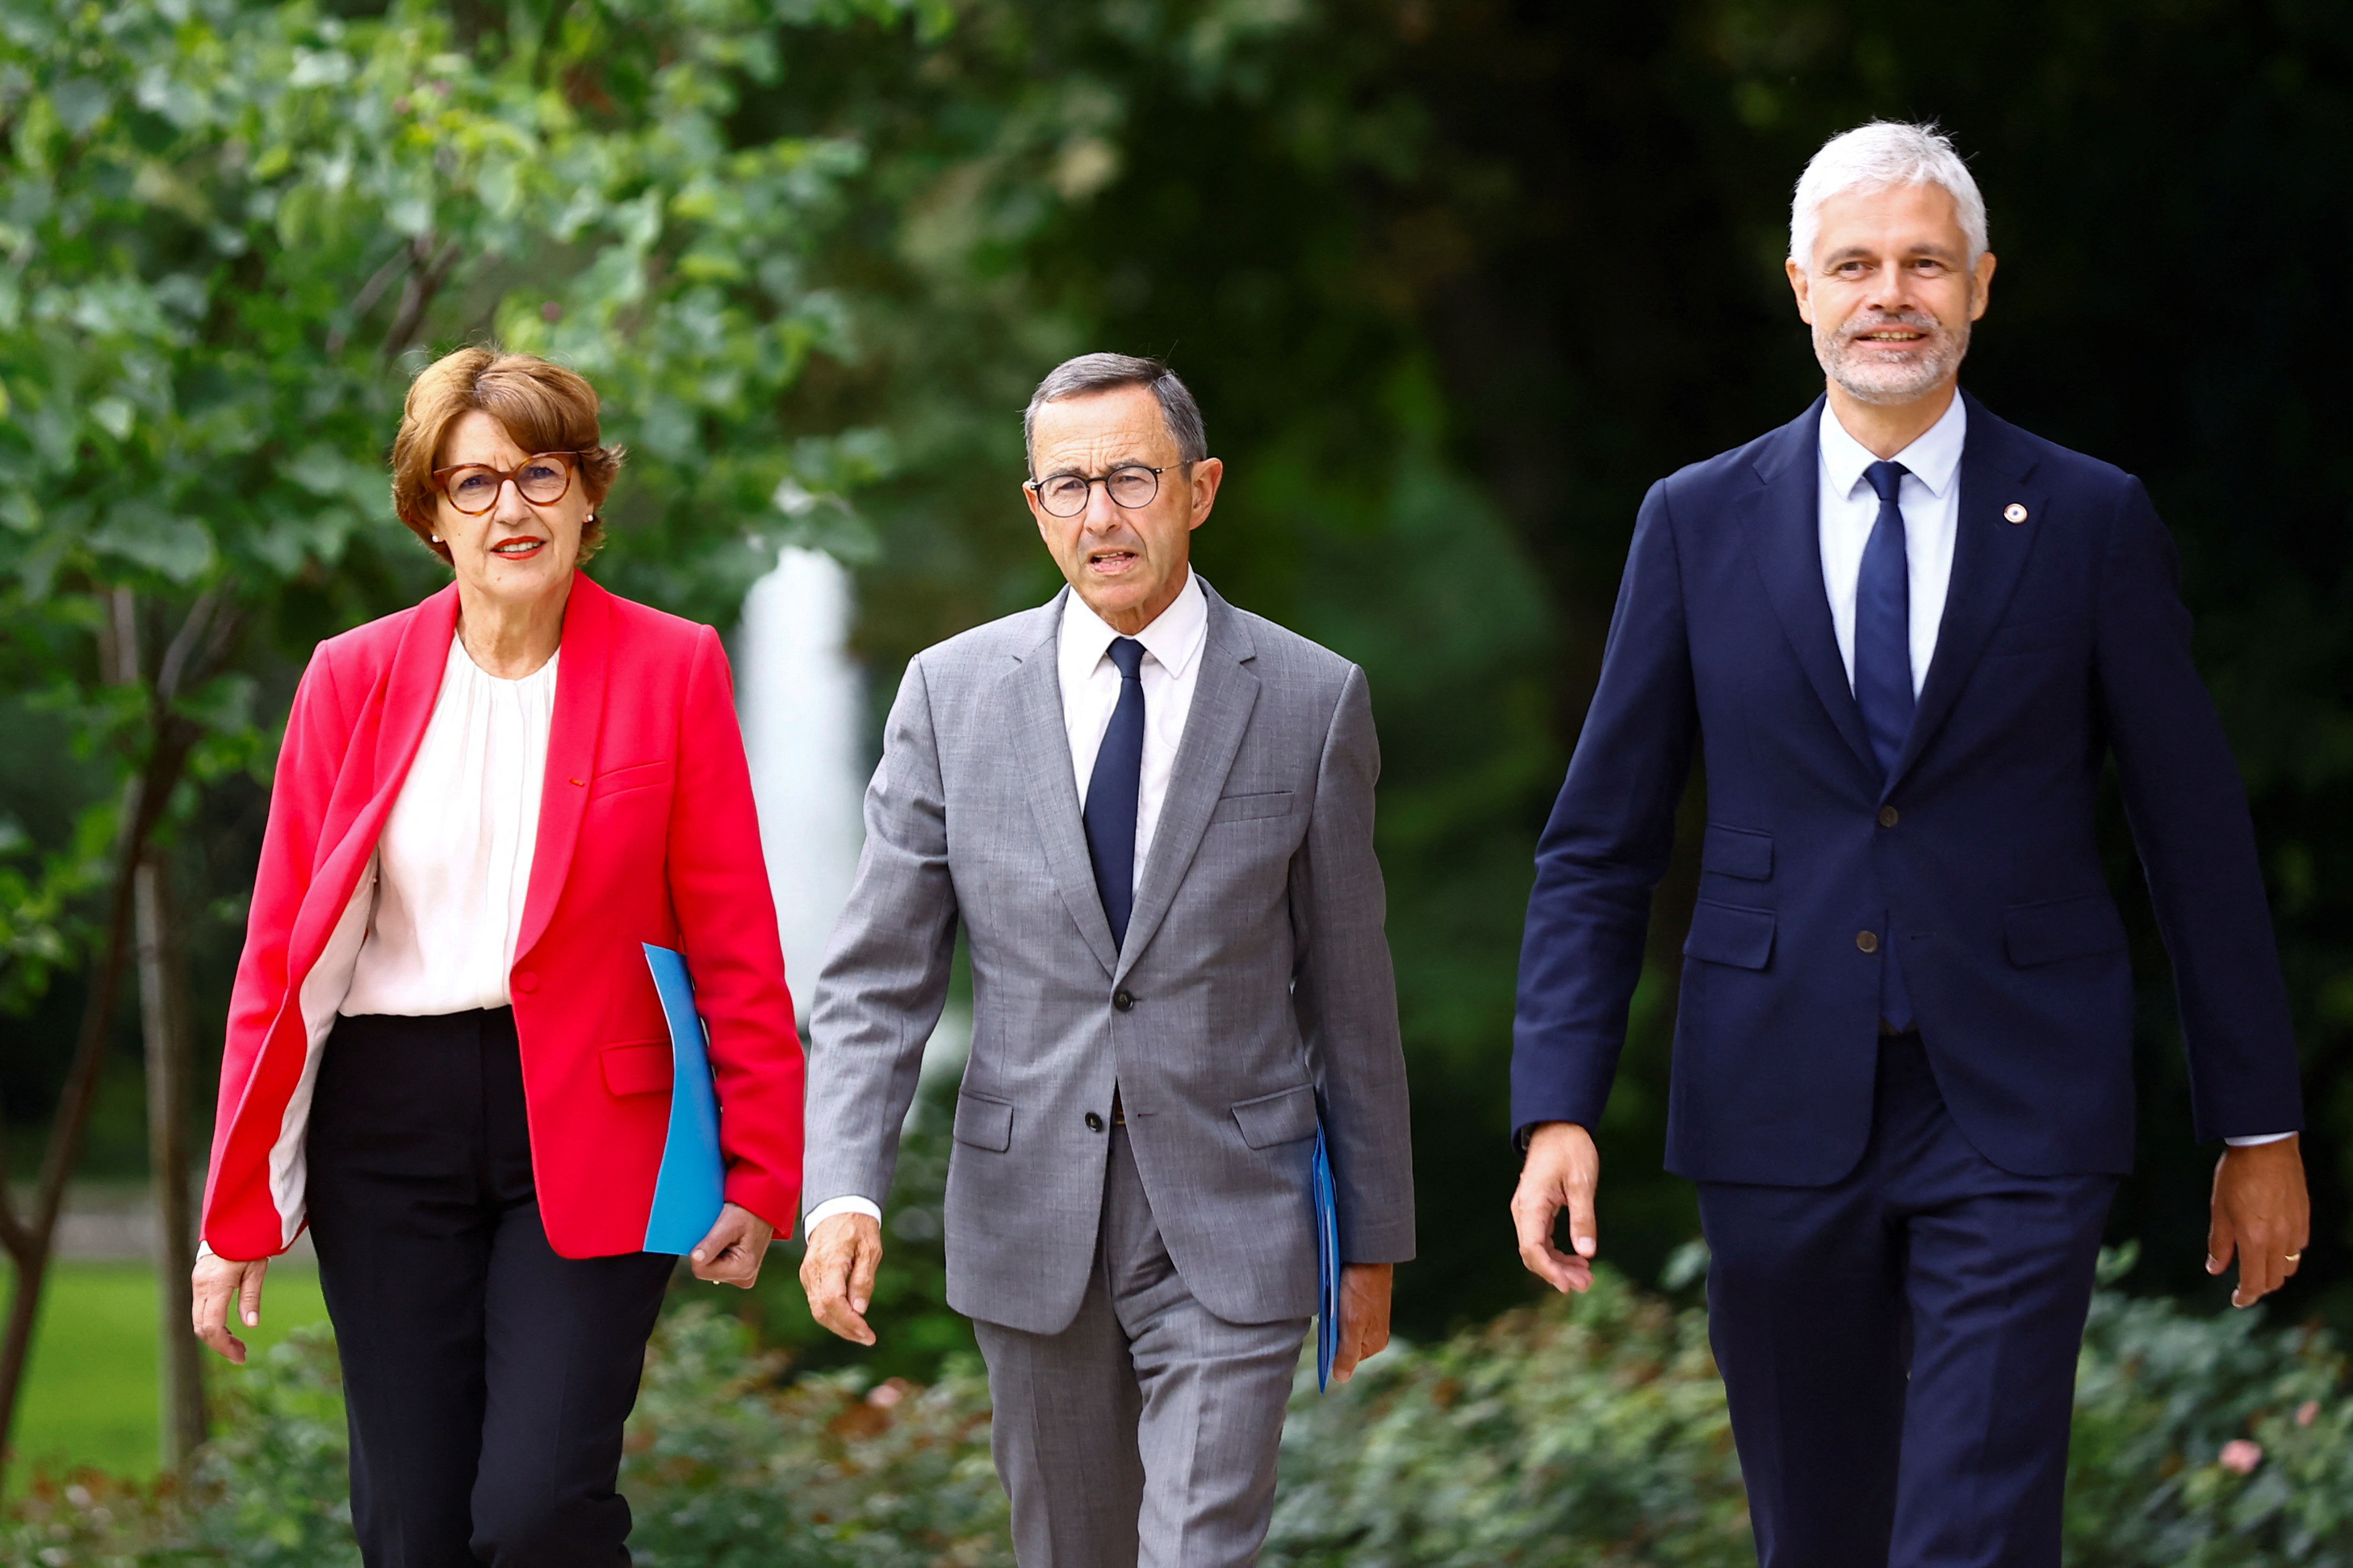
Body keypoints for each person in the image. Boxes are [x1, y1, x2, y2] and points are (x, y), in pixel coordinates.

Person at [1507, 123, 2308, 1566]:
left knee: (1975, 1530)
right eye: (1859, 264)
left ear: (1982, 287)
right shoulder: (1692, 523)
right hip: (1769, 1094)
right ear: (1802, 287)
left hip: (2017, 1099)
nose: (1893, 293)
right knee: (1816, 1533)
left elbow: (2194, 838)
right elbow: (1599, 842)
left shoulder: (2087, 519)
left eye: (1925, 262)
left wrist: (2258, 1124)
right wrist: (1556, 1104)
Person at [798, 353, 1415, 1567]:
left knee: (1200, 1549)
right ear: (1033, 507)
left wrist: (1375, 1242)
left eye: (1131, 477)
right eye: (1068, 485)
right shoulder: (950, 695)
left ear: (1200, 488)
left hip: (1236, 1213)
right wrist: (844, 1188)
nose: (1101, 514)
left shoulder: (1310, 697)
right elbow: (877, 979)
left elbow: (1351, 989)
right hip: (1029, 1213)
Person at [191, 347, 803, 1567]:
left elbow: (734, 937)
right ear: (430, 517)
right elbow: (279, 959)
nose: (510, 508)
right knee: (414, 1530)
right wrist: (234, 1209)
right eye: (472, 484)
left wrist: (760, 1170)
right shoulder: (348, 678)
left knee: (535, 1514)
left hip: (594, 1120)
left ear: (587, 494)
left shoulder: (672, 666)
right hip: (388, 1125)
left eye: (538, 473)